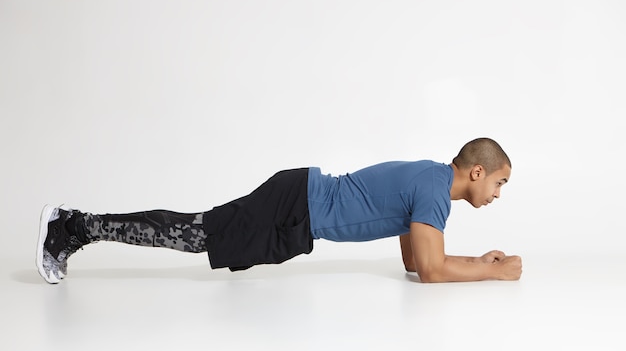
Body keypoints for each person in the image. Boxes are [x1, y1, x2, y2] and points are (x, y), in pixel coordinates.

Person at [36, 137, 522, 284]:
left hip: (297, 205)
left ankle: (76, 226)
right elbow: (434, 271)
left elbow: (416, 263)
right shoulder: (435, 190)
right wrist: (489, 271)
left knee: (199, 232)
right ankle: (71, 226)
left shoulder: (430, 182)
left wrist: (474, 264)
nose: (498, 194)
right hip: (294, 207)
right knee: (195, 233)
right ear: (476, 172)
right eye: (499, 182)